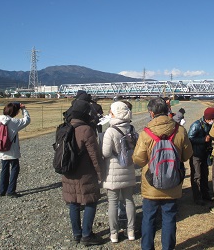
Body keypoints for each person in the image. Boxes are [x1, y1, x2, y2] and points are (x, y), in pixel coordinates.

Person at [133, 97, 193, 250]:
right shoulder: (179, 130)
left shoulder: (146, 133)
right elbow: (187, 155)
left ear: (151, 113)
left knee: (149, 218)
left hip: (151, 182)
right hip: (173, 181)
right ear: (167, 111)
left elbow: (139, 160)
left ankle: (147, 247)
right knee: (169, 217)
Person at [61, 99, 104, 246]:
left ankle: (76, 234)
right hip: (85, 173)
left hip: (68, 171)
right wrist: (100, 173)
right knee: (90, 201)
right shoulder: (86, 129)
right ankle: (87, 234)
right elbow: (95, 155)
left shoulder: (64, 127)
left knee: (73, 202)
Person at [102, 101, 137, 243]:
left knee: (113, 202)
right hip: (128, 168)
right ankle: (131, 231)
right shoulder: (133, 129)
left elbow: (105, 152)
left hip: (113, 171)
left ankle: (114, 234)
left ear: (114, 113)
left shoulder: (110, 131)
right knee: (129, 200)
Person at [0, 102, 31, 198]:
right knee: (15, 168)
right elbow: (26, 120)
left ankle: (2, 190)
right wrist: (24, 109)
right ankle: (11, 191)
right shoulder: (13, 122)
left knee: (4, 169)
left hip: (1, 148)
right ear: (15, 112)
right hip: (11, 149)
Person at [188, 107, 214, 205]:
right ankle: (197, 197)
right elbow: (189, 139)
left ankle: (206, 194)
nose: (213, 121)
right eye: (212, 119)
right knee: (197, 176)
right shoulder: (196, 125)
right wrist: (203, 140)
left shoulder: (211, 125)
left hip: (205, 153)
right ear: (207, 118)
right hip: (195, 155)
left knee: (205, 175)